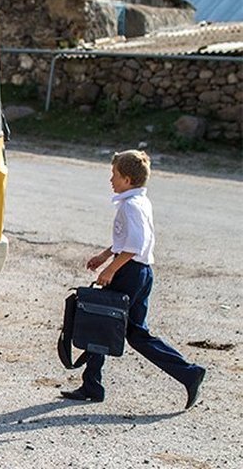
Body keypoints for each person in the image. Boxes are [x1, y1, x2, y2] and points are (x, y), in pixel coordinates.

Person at [60, 150, 207, 409]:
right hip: (140, 271)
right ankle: (188, 373)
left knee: (101, 320)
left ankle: (92, 385)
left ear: (127, 179)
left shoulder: (130, 206)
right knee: (134, 332)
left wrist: (110, 269)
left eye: (114, 175)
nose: (111, 180)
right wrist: (105, 255)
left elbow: (134, 245)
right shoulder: (139, 200)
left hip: (129, 271)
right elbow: (128, 240)